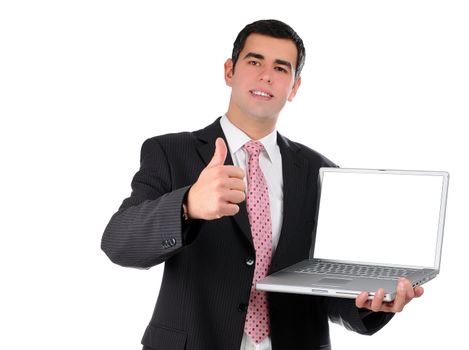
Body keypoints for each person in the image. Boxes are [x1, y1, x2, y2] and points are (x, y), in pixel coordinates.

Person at [101, 19, 424, 350]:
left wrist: (369, 303)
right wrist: (188, 205)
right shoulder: (171, 152)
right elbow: (118, 242)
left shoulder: (321, 171)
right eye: (254, 61)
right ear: (230, 71)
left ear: (294, 87)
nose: (266, 75)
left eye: (281, 68)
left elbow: (325, 290)